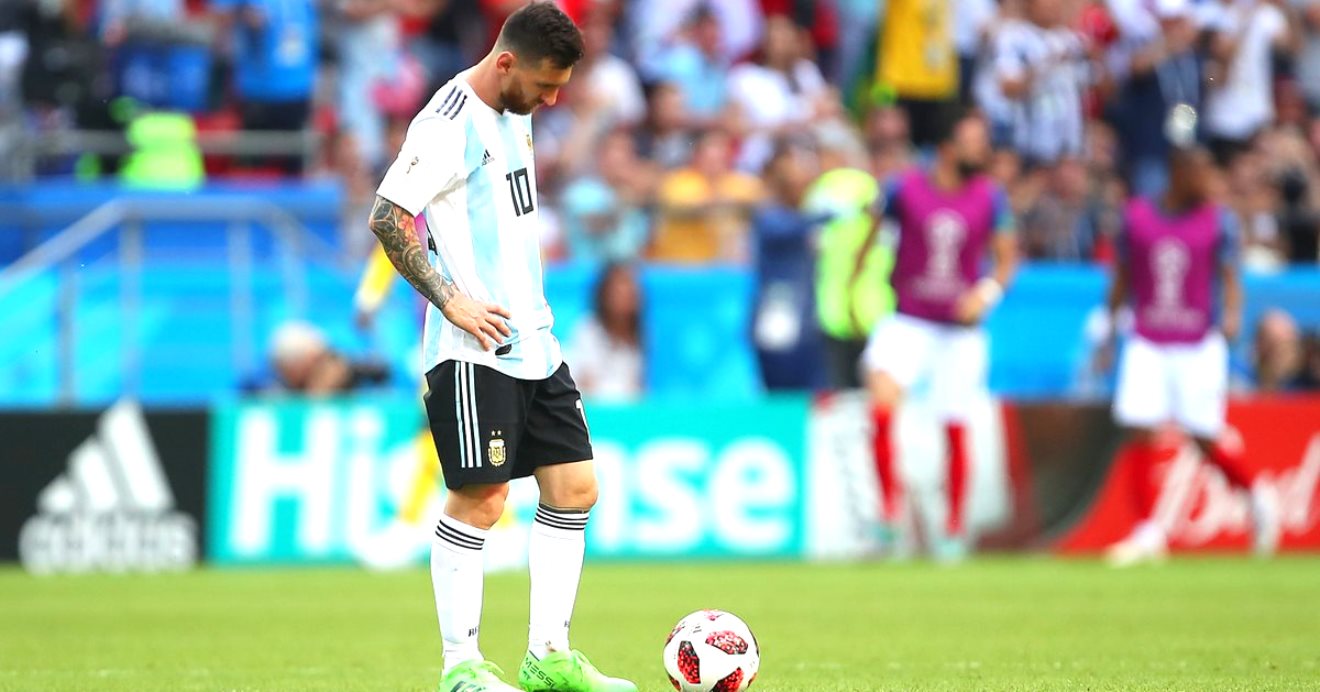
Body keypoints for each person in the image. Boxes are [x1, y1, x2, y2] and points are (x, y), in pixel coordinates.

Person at [366, 5, 635, 691]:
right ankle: (461, 667)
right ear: (506, 62)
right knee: (483, 498)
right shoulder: (446, 122)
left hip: (535, 339)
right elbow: (388, 215)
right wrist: (449, 299)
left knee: (575, 488)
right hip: (473, 346)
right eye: (546, 86)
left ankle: (549, 657)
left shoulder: (518, 107)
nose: (553, 100)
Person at [1103, 109, 1280, 566]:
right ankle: (1147, 532)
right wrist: (1108, 327)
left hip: (1198, 340)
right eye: (1201, 172)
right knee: (1139, 427)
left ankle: (1255, 495)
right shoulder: (1138, 216)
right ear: (1178, 172)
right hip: (1147, 335)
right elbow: (1123, 276)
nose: (1209, 181)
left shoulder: (1218, 221)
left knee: (1202, 435)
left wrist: (1234, 315)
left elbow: (1230, 277)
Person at [860, 111, 1018, 560]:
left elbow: (1006, 258)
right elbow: (872, 234)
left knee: (954, 423)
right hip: (908, 319)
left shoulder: (990, 197)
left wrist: (984, 294)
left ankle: (952, 526)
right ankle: (888, 514)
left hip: (958, 330)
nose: (982, 151)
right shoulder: (903, 188)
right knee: (881, 406)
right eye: (973, 141)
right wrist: (859, 286)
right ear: (947, 148)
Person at [751, 138, 825, 391]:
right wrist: (826, 216)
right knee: (780, 386)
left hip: (808, 315)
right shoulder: (770, 215)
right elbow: (786, 229)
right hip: (777, 310)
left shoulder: (805, 214)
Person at [566, 262, 645, 402]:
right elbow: (587, 384)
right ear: (605, 295)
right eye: (618, 293)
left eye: (630, 293)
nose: (625, 299)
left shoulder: (642, 336)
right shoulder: (588, 331)